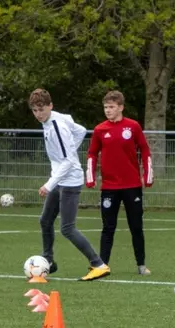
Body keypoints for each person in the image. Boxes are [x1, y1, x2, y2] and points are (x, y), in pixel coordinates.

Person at [29, 88, 110, 281]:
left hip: (69, 181)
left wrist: (49, 184)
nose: (38, 114)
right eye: (34, 110)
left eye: (41, 109)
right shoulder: (54, 119)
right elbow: (81, 130)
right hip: (60, 178)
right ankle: (48, 261)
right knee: (45, 220)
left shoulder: (57, 127)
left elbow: (67, 162)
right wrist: (69, 152)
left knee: (67, 228)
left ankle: (98, 264)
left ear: (50, 106)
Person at [86, 90, 153, 276]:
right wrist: (90, 176)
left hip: (132, 186)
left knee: (136, 226)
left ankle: (141, 265)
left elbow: (145, 149)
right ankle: (102, 266)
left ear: (121, 107)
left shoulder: (132, 127)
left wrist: (148, 174)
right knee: (108, 227)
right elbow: (91, 153)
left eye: (112, 107)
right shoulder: (100, 130)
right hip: (109, 187)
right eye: (106, 107)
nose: (108, 110)